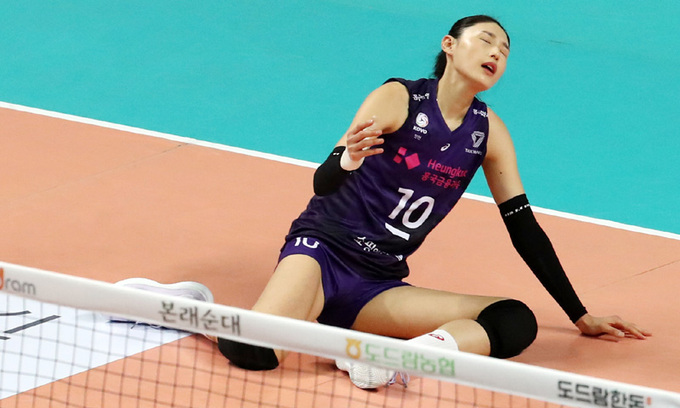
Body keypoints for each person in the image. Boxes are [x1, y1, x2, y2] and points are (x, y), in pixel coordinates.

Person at [117, 15, 650, 390]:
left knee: (513, 321)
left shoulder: (489, 133)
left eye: (505, 51)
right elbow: (323, 182)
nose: (496, 53)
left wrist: (580, 314)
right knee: (255, 353)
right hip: (322, 253)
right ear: (449, 45)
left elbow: (523, 227)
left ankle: (397, 359)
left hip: (377, 282)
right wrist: (348, 159)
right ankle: (195, 307)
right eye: (486, 40)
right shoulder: (399, 97)